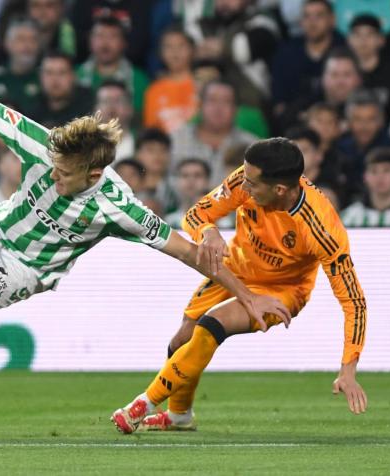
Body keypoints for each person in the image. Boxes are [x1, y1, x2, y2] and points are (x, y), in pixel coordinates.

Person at [0, 6, 287, 439]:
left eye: (64, 174)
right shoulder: (44, 145)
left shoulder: (118, 207)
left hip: (22, 268)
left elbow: (189, 252)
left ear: (93, 174)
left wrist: (247, 297)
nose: (53, 173)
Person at [111, 137, 368, 434]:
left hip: (281, 291)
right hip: (237, 268)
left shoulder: (321, 228)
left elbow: (354, 302)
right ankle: (179, 415)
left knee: (210, 326)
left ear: (279, 190)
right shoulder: (246, 179)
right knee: (181, 340)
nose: (241, 187)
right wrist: (208, 232)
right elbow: (196, 214)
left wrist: (348, 368)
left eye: (251, 184)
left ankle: (141, 405)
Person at [341, 148, 390, 227]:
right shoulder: (348, 216)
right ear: (365, 177)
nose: (380, 177)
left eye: (387, 170)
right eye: (374, 171)